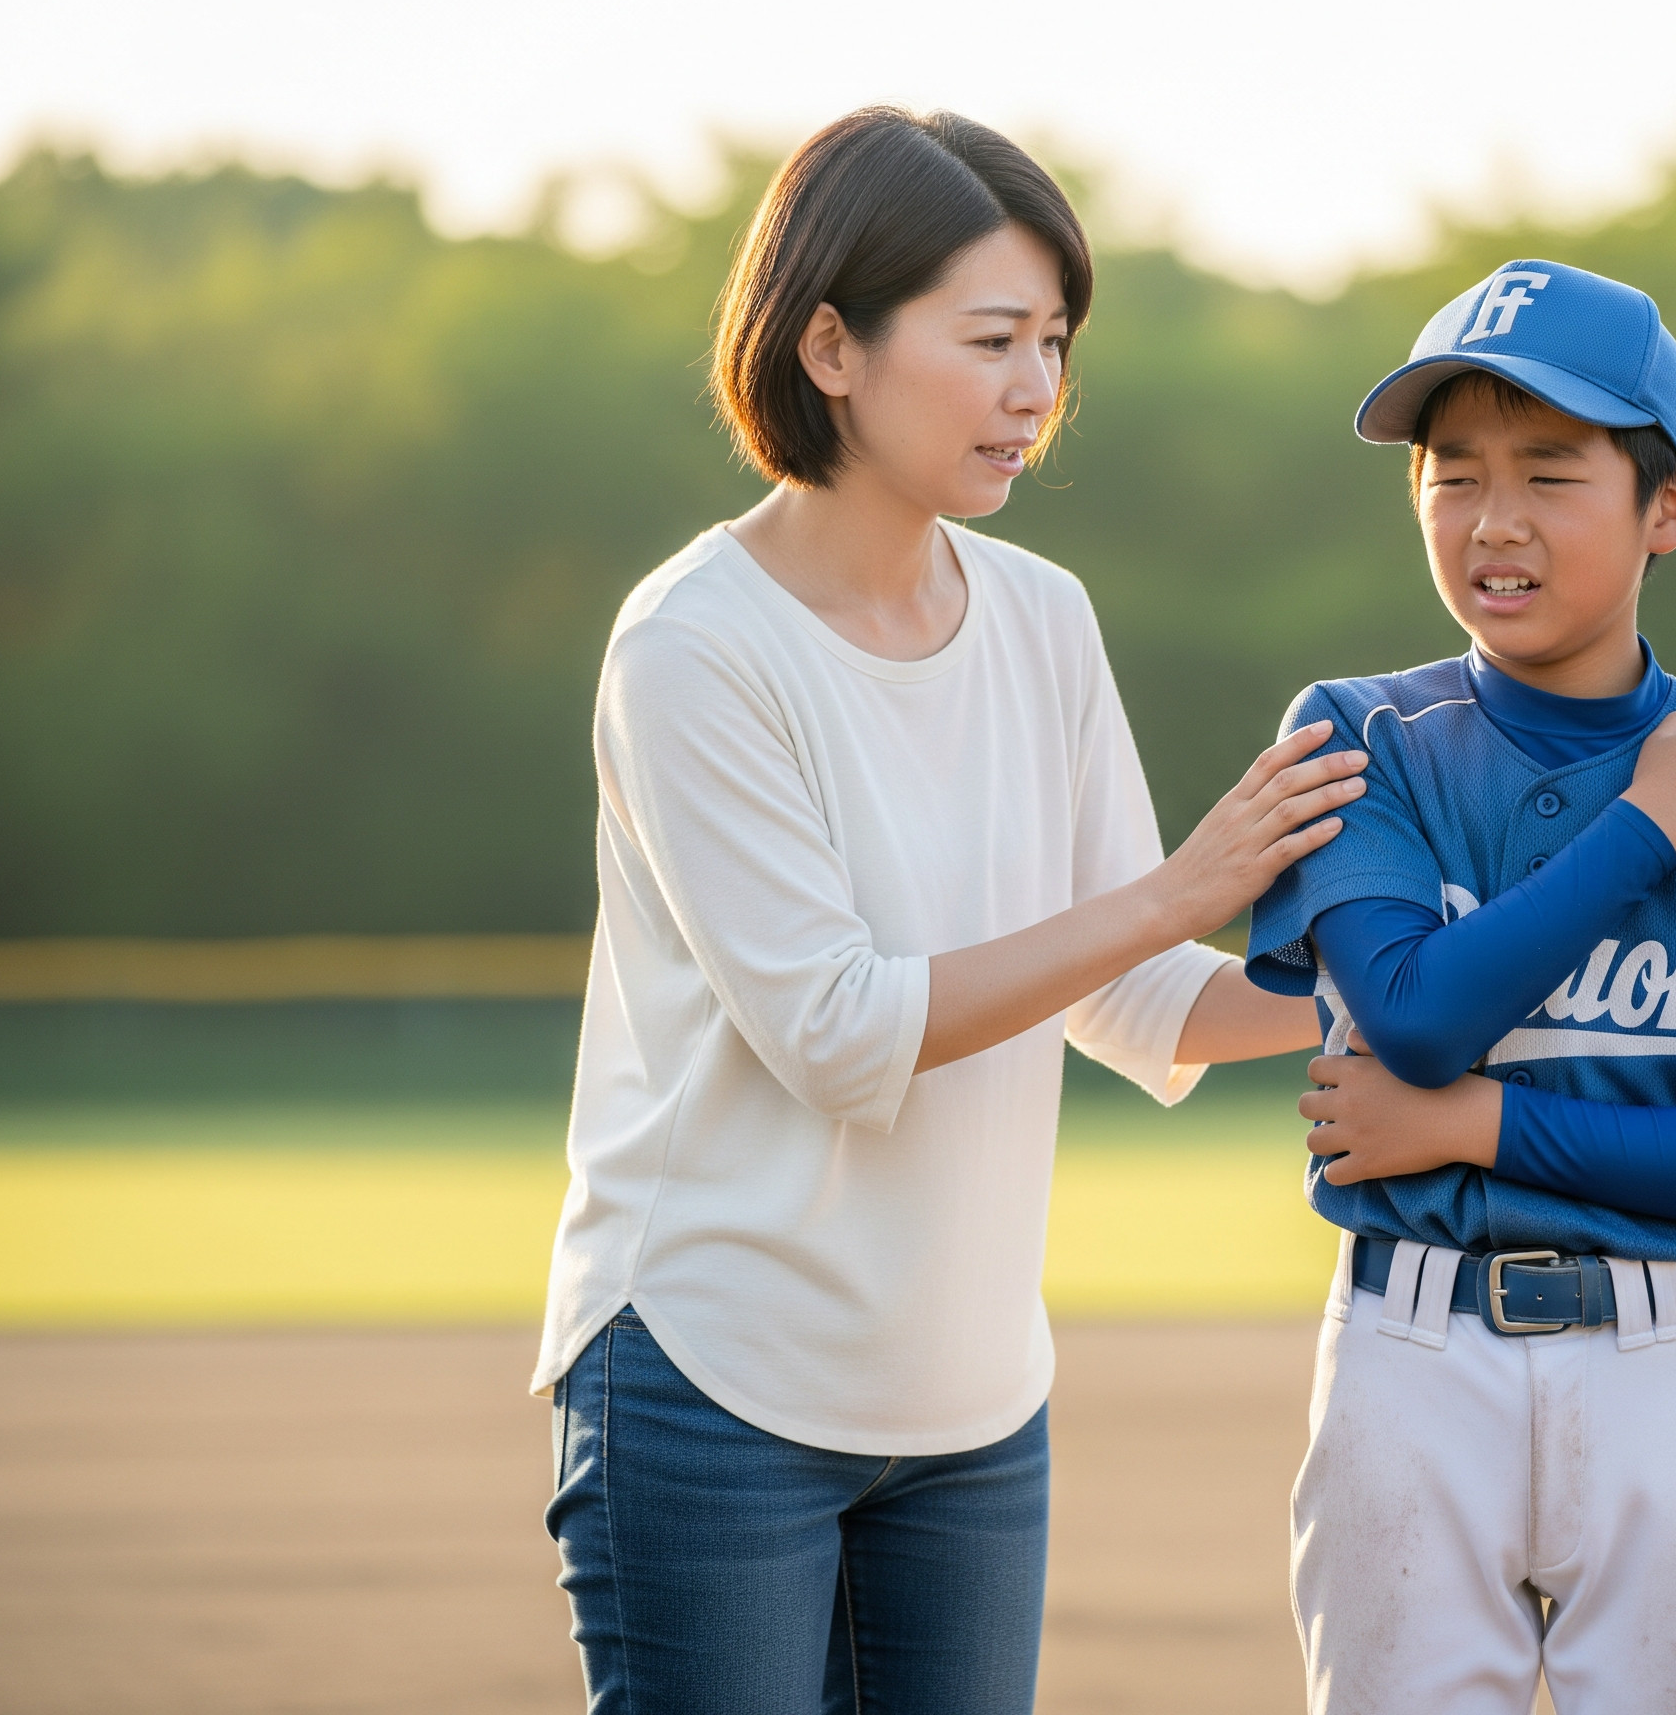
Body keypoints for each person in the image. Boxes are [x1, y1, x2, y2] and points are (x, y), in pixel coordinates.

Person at [530, 107, 1374, 1714]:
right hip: (714, 1385)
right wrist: (1174, 893)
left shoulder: (1045, 619)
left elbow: (1133, 992)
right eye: (991, 340)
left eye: (1053, 343)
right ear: (830, 347)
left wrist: (1419, 983)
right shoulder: (695, 646)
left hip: (974, 1408)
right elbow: (838, 1033)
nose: (1035, 390)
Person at [1245, 261, 1676, 1713]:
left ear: (1669, 505)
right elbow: (1417, 1014)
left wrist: (1468, 1129)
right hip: (1411, 1356)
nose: (1494, 520)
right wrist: (1648, 826)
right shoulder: (1363, 736)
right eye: (1453, 474)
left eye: (1551, 473)